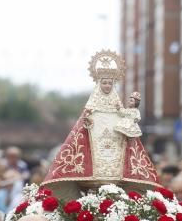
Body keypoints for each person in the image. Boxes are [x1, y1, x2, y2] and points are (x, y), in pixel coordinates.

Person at [41, 50, 158, 198]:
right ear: (99, 83)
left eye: (110, 83)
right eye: (104, 83)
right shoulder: (92, 104)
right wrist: (88, 122)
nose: (107, 86)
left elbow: (123, 117)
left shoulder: (117, 104)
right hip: (95, 145)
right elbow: (84, 122)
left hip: (115, 145)